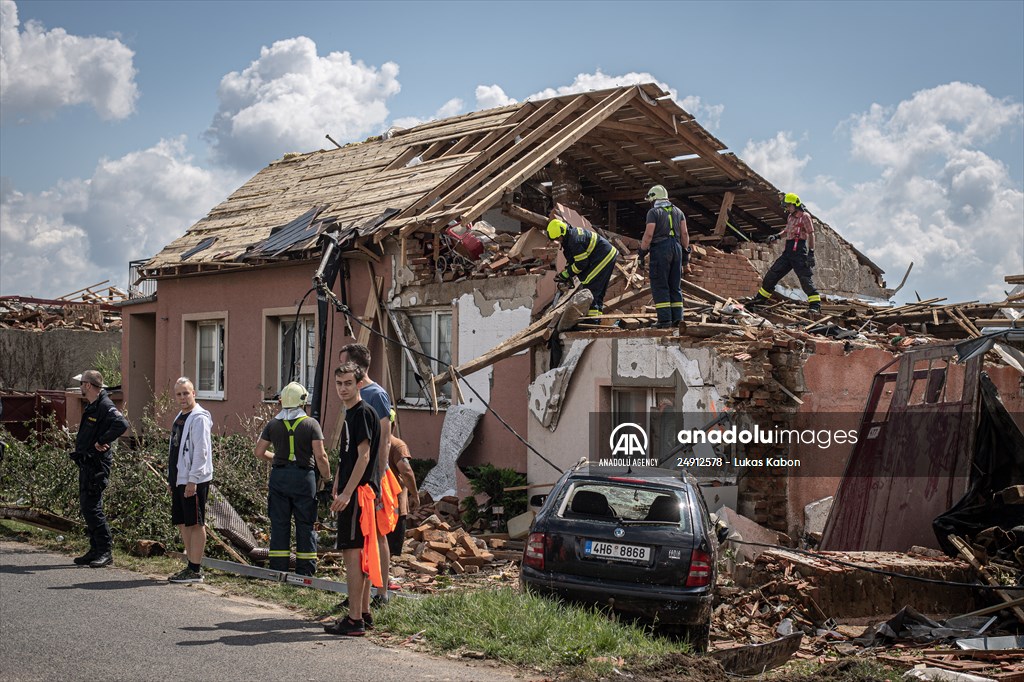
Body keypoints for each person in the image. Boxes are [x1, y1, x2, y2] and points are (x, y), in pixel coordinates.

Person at [324, 362, 382, 637]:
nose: (343, 388)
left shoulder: (362, 413)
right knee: (361, 556)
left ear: (359, 384)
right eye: (339, 384)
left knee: (352, 555)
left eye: (348, 383)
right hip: (355, 492)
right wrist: (338, 480)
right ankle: (365, 613)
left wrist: (347, 492)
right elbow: (347, 457)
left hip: (358, 496)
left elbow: (365, 456)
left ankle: (354, 618)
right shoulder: (350, 413)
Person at [337, 343, 397, 599]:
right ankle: (360, 600)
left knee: (378, 533)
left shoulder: (375, 395)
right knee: (362, 539)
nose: (341, 383)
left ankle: (381, 592)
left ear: (357, 370)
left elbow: (384, 438)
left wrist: (379, 475)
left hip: (372, 479)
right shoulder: (352, 396)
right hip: (358, 478)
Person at [254, 382, 331, 576]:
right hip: (304, 478)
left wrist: (279, 459)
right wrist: (328, 478)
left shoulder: (273, 424)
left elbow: (259, 451)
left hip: (279, 477)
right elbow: (321, 456)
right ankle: (305, 572)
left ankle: (278, 570)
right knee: (305, 525)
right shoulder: (311, 424)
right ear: (303, 401)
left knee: (280, 524)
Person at [70, 370, 129, 568]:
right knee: (87, 506)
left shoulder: (105, 404)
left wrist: (102, 440)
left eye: (81, 384)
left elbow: (122, 424)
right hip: (87, 463)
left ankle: (105, 551)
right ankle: (94, 549)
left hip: (97, 465)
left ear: (87, 385)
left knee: (93, 507)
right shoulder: (94, 405)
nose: (80, 387)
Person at [167, 377, 213, 584]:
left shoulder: (199, 418)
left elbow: (201, 453)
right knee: (183, 521)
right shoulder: (180, 416)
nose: (183, 397)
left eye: (186, 393)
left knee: (195, 522)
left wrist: (193, 481)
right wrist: (173, 479)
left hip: (194, 479)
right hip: (180, 478)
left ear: (194, 393)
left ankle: (195, 569)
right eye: (179, 394)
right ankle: (189, 564)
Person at [749, 193, 822, 314]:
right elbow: (787, 231)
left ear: (795, 204)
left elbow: (811, 234)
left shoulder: (805, 216)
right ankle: (760, 300)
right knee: (771, 276)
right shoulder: (790, 217)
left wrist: (811, 253)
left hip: (799, 252)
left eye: (788, 206)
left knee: (805, 280)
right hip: (788, 252)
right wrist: (776, 236)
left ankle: (815, 305)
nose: (787, 208)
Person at [637, 185, 691, 329]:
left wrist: (641, 253)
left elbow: (648, 235)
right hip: (677, 249)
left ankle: (664, 320)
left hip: (661, 249)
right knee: (675, 286)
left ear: (654, 198)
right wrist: (685, 252)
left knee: (660, 285)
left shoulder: (653, 212)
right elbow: (684, 234)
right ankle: (678, 320)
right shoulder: (679, 212)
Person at [546, 218, 619, 319]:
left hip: (603, 256)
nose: (558, 241)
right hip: (604, 255)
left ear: (562, 234)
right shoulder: (571, 236)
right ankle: (596, 319)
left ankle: (591, 321)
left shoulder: (574, 241)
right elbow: (574, 259)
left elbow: (581, 263)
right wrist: (567, 270)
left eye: (558, 238)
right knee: (597, 291)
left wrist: (567, 274)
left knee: (590, 288)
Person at [386, 435, 420, 559]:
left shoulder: (368, 442)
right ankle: (384, 575)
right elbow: (406, 471)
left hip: (372, 504)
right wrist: (415, 495)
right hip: (394, 506)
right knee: (389, 550)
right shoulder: (397, 446)